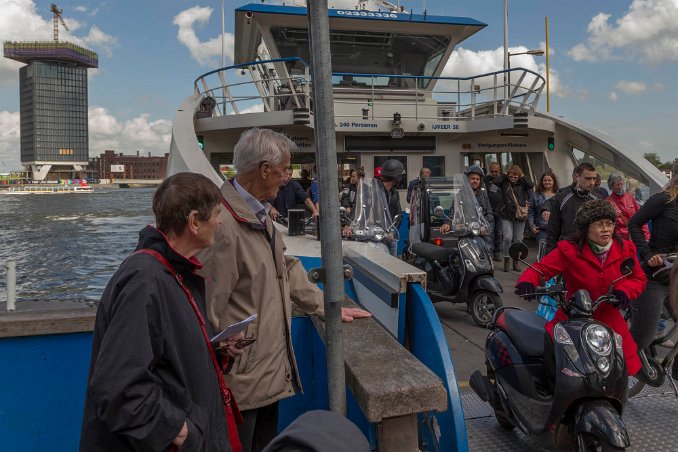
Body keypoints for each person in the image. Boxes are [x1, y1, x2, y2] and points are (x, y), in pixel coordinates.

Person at [198, 128, 371, 452]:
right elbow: (206, 308)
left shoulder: (254, 213)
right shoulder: (223, 226)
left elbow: (284, 268)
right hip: (240, 385)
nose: (288, 178)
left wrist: (325, 306)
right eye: (284, 169)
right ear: (265, 169)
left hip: (264, 376)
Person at [81, 173, 242, 452]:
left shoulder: (171, 272)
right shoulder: (145, 280)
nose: (220, 222)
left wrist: (215, 351)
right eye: (216, 214)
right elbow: (118, 388)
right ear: (194, 222)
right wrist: (183, 434)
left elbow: (167, 358)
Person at [516, 200, 647, 376]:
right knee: (558, 361)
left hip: (610, 319)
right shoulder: (569, 250)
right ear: (586, 228)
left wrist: (625, 290)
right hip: (574, 319)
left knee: (620, 369)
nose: (606, 229)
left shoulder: (625, 249)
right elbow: (541, 269)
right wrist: (528, 281)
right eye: (599, 224)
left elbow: (638, 278)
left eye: (609, 223)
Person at [628, 175, 678, 378]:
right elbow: (634, 224)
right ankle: (617, 372)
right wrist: (648, 255)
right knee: (642, 338)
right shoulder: (663, 200)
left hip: (676, 278)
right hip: (654, 276)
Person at [543, 162, 599, 255]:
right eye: (588, 178)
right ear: (577, 177)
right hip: (568, 251)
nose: (592, 182)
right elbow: (552, 231)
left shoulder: (597, 199)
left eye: (594, 178)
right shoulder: (561, 198)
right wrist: (550, 256)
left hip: (590, 251)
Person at [440, 165, 493, 250]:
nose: (475, 181)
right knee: (462, 252)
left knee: (488, 248)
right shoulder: (460, 195)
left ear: (480, 181)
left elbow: (490, 213)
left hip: (480, 230)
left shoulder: (483, 195)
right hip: (465, 230)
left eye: (477, 179)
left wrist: (483, 225)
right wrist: (447, 223)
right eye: (472, 179)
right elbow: (453, 211)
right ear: (467, 180)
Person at [495, 164, 534, 272]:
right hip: (506, 214)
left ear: (519, 176)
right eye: (511, 177)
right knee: (507, 237)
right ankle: (506, 259)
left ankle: (515, 261)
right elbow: (495, 182)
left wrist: (522, 176)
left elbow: (531, 184)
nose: (513, 179)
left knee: (518, 240)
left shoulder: (523, 183)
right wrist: (505, 175)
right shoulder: (504, 182)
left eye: (515, 177)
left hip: (519, 215)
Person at [605, 173, 648, 241]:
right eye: (617, 185)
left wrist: (646, 235)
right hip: (619, 238)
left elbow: (641, 216)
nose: (620, 186)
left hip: (634, 236)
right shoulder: (608, 202)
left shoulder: (630, 198)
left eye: (621, 184)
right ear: (611, 186)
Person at [528, 170, 559, 248]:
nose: (547, 182)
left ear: (554, 182)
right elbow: (531, 211)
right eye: (545, 180)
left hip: (556, 229)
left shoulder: (559, 195)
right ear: (542, 182)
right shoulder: (536, 195)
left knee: (554, 252)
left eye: (549, 180)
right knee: (543, 250)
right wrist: (532, 226)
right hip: (541, 228)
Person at [485, 162, 503, 262]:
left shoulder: (502, 180)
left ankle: (497, 252)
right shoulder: (485, 180)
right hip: (489, 211)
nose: (494, 173)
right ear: (489, 171)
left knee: (499, 233)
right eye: (492, 171)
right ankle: (490, 253)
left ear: (499, 171)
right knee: (489, 233)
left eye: (496, 171)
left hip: (500, 211)